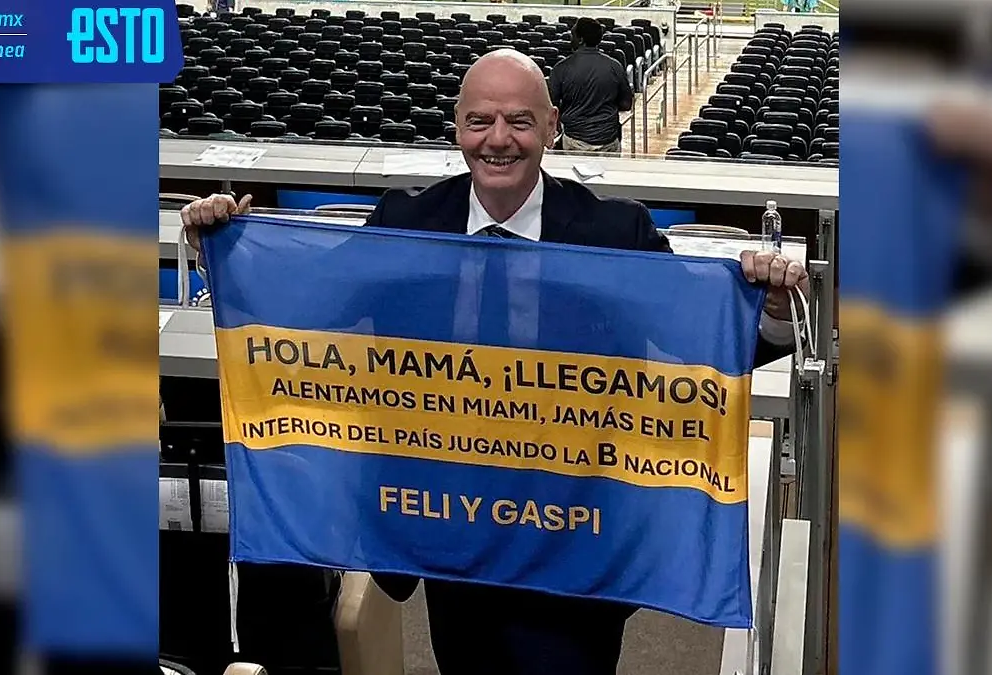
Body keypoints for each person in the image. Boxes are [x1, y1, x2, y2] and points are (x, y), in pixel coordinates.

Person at [181, 49, 809, 675]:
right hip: (449, 534)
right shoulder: (407, 223)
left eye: (519, 121)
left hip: (575, 536)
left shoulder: (616, 234)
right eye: (480, 121)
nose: (498, 140)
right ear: (457, 126)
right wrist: (226, 254)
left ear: (552, 126)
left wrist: (774, 305)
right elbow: (310, 306)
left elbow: (701, 342)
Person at [547, 18, 634, 154]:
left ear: (580, 39)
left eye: (573, 34)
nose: (571, 38)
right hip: (609, 141)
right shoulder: (615, 66)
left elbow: (552, 107)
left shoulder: (561, 69)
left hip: (574, 142)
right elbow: (626, 104)